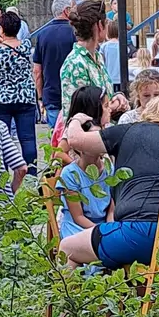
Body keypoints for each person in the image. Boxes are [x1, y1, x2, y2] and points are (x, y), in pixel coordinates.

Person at [57, 97, 159, 269]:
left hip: (145, 235)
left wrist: (76, 119)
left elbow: (75, 141)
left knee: (67, 247)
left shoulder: (130, 131)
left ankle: (69, 295)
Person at [0, 10, 39, 171]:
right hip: (25, 97)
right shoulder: (26, 47)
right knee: (27, 139)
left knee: (1, 140)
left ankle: (3, 177)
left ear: (1, 29)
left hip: (1, 99)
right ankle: (31, 176)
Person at [53, 85, 115, 236]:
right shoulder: (76, 132)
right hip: (78, 220)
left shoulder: (108, 167)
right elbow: (58, 154)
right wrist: (81, 171)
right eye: (106, 106)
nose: (110, 109)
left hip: (100, 220)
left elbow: (112, 206)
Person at [32, 0, 80, 127]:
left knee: (56, 140)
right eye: (74, 8)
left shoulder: (42, 35)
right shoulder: (76, 32)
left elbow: (37, 71)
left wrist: (41, 96)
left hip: (51, 94)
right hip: (75, 95)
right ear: (67, 10)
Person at [60, 0, 113, 98]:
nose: (107, 26)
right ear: (99, 25)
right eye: (105, 22)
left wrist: (116, 97)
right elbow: (80, 110)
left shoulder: (97, 56)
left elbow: (104, 97)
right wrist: (113, 106)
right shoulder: (75, 63)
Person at [99, 19, 124, 90]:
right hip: (121, 77)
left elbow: (101, 61)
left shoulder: (104, 46)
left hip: (108, 76)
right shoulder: (122, 45)